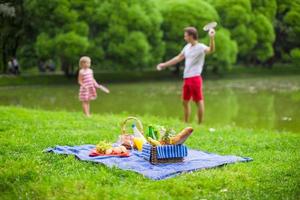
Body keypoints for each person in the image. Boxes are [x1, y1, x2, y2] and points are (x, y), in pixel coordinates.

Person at [156, 27, 215, 124]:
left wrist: (212, 38)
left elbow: (211, 50)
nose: (184, 37)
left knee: (198, 101)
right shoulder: (187, 47)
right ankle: (186, 122)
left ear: (191, 36)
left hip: (195, 78)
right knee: (185, 101)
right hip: (187, 78)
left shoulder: (200, 47)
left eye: (185, 35)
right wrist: (164, 64)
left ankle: (200, 124)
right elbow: (178, 58)